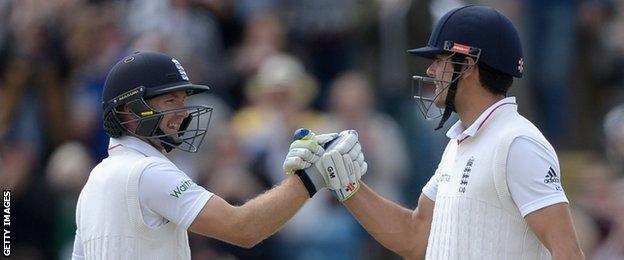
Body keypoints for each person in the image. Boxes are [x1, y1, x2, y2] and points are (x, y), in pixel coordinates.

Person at [292, 5, 584, 259]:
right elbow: (414, 236)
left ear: (467, 65)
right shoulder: (460, 143)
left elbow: (568, 252)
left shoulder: (518, 143)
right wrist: (346, 184)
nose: (431, 72)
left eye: (439, 60)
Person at [71, 51, 366, 259]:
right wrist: (311, 177)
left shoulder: (94, 182)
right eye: (170, 100)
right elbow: (244, 229)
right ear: (128, 110)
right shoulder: (147, 172)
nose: (182, 113)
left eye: (183, 101)